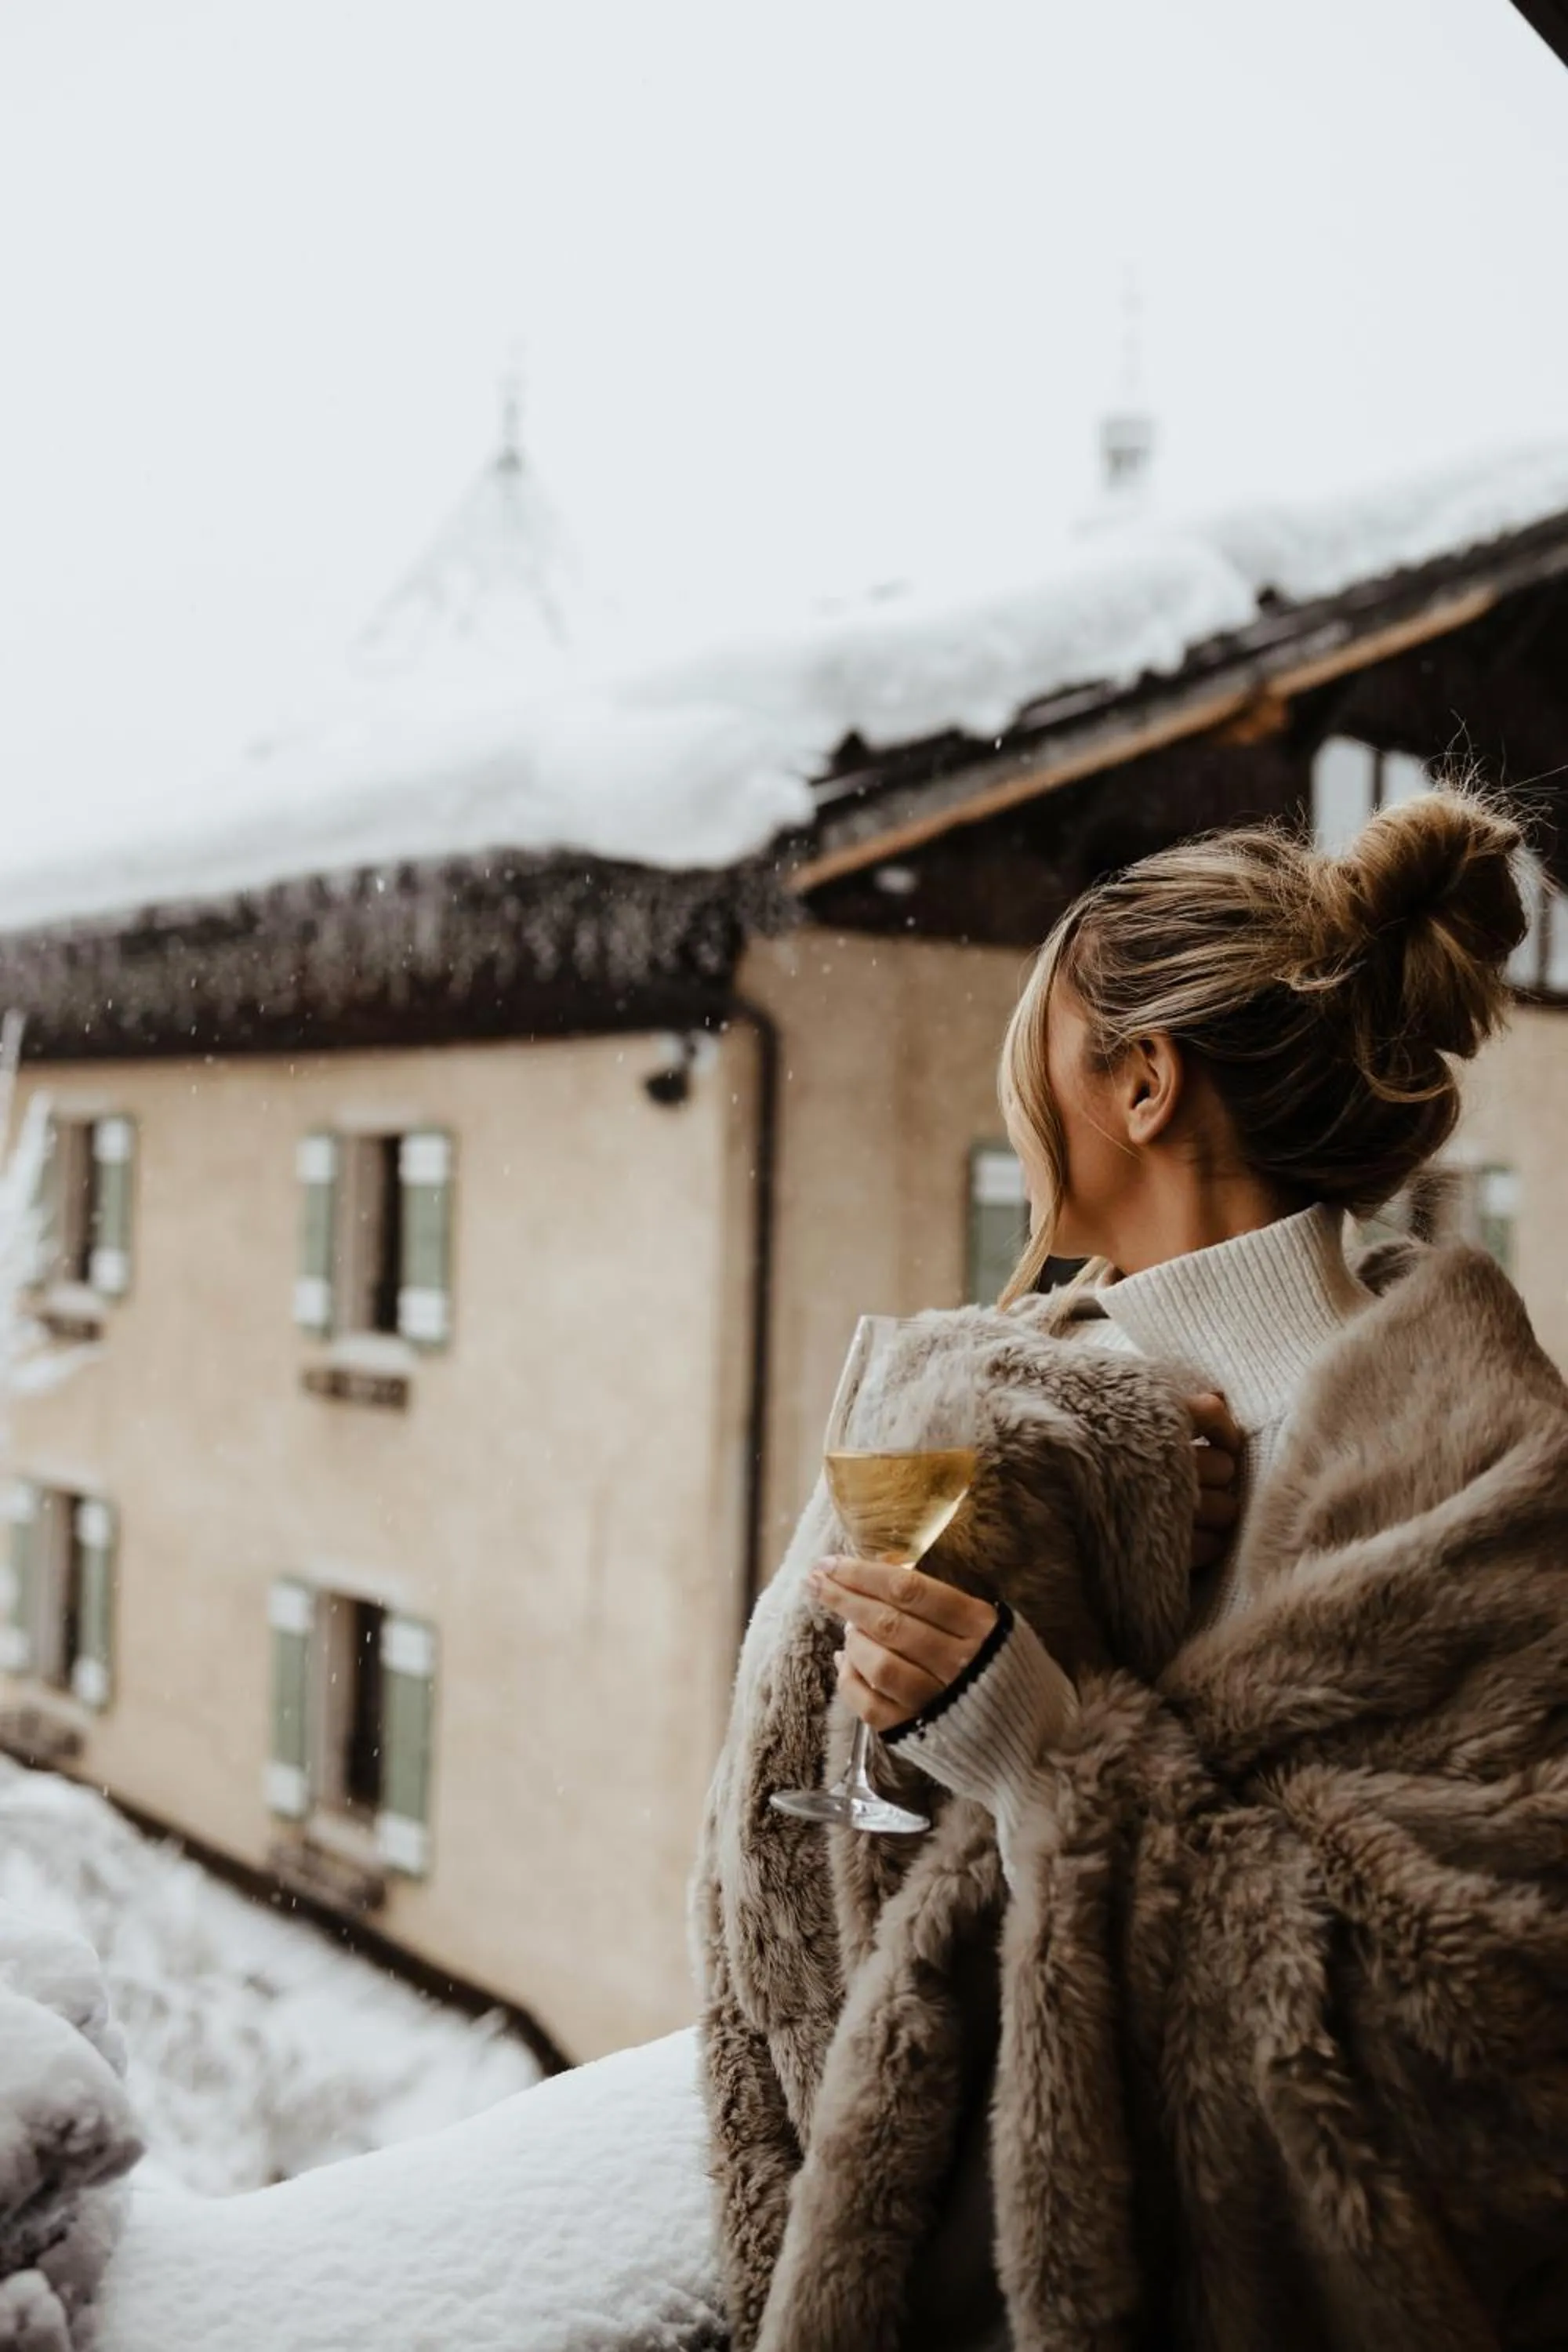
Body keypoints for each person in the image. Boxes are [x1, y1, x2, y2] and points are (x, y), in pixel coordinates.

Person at [697, 784, 1568, 2350]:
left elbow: (1478, 2025)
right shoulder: (1047, 1418)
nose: (1011, 1096)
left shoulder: (1479, 1473)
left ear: (1146, 1083)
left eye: (1035, 1043)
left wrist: (1039, 1754)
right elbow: (795, 1833)